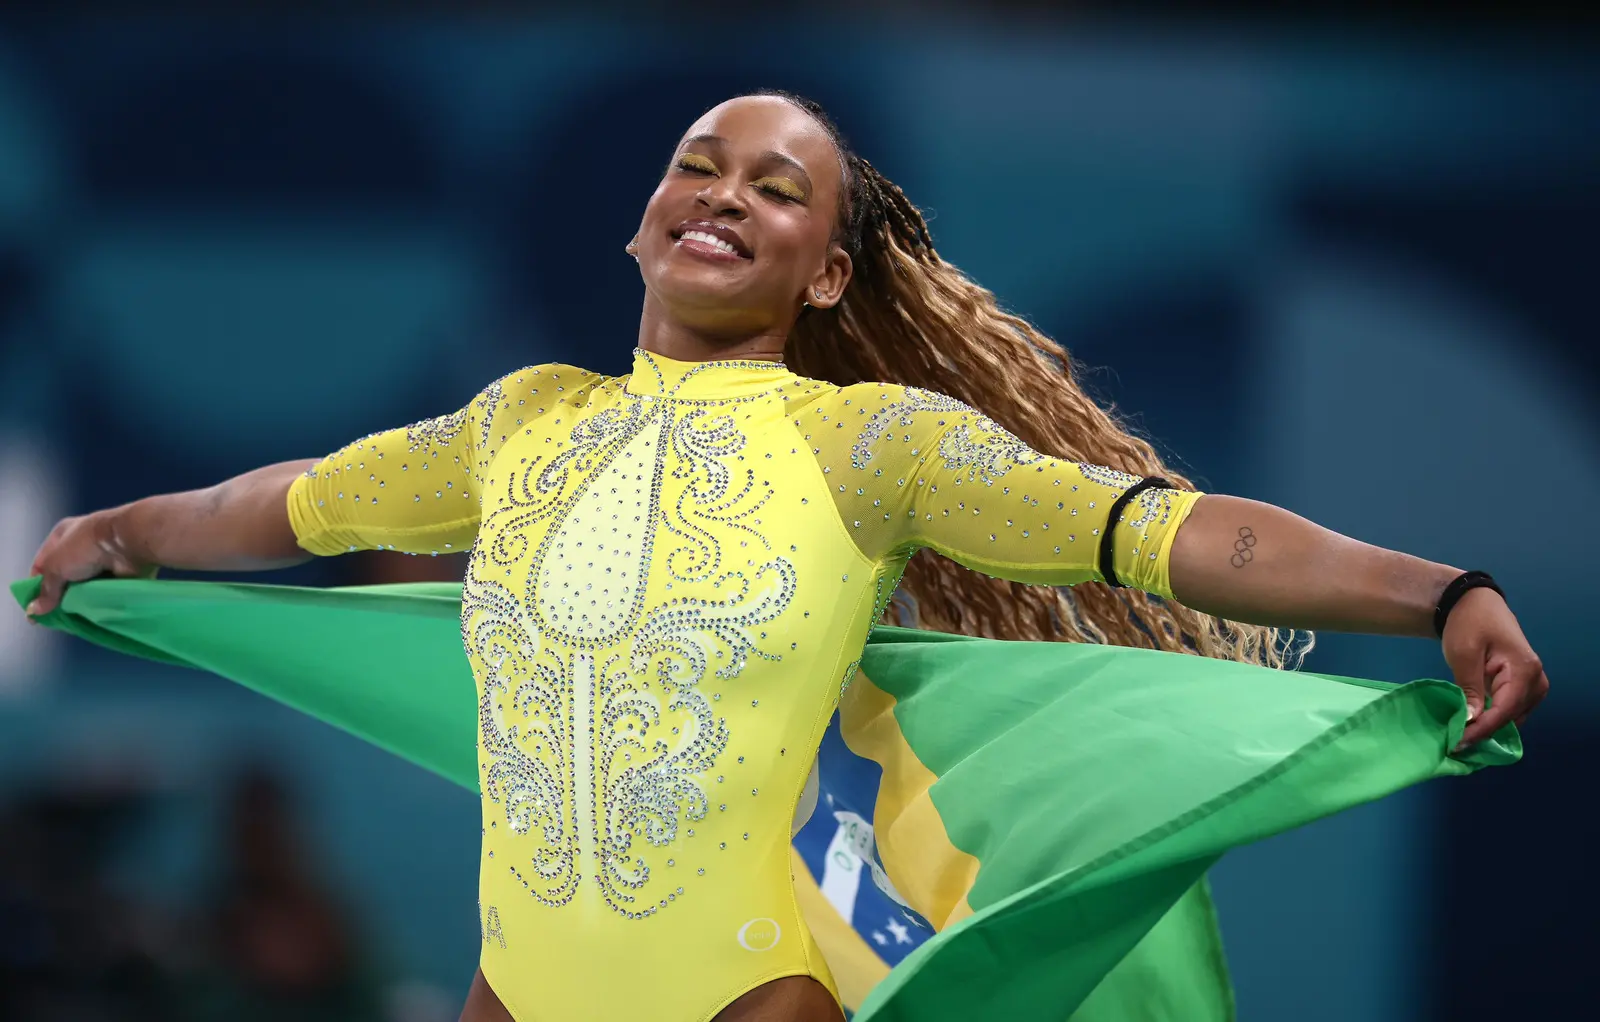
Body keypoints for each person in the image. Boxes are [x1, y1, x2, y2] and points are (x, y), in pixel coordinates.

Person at [25, 91, 1549, 1022]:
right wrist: (119, 532)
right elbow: (296, 504)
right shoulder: (523, 425)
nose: (724, 196)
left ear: (827, 272)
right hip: (518, 991)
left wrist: (1442, 591)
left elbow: (1178, 532)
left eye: (776, 186)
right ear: (642, 219)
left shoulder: (867, 446)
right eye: (701, 165)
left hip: (749, 998)